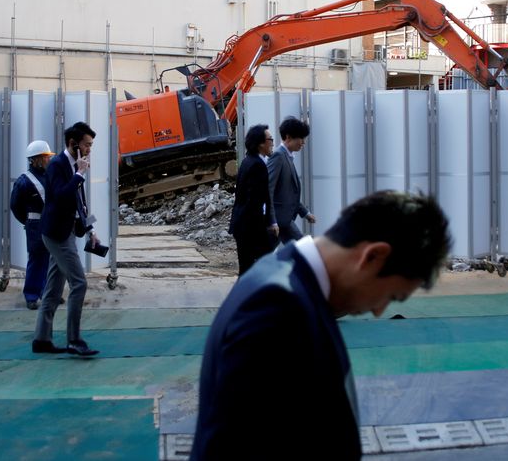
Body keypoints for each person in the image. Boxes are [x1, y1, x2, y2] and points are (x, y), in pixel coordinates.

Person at [191, 190, 452, 460]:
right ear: (373, 256)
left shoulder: (286, 277)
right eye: (390, 296)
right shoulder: (277, 308)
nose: (378, 311)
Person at [32, 121, 101, 356]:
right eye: (87, 145)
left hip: (67, 231)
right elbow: (60, 197)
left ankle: (42, 339)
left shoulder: (75, 165)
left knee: (53, 288)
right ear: (74, 144)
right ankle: (74, 339)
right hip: (57, 234)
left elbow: (80, 202)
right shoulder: (57, 166)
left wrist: (91, 229)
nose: (90, 149)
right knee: (79, 283)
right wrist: (79, 174)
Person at [228, 124, 279, 275]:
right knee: (250, 271)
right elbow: (254, 202)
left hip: (244, 225)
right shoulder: (257, 166)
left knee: (247, 271)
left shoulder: (248, 161)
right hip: (249, 228)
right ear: (260, 143)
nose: (273, 143)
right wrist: (266, 226)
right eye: (270, 139)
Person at [10, 140, 54, 310]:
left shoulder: (49, 176)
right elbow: (15, 206)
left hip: (49, 223)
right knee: (37, 260)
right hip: (36, 226)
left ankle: (48, 293)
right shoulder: (24, 181)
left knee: (51, 261)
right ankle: (31, 296)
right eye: (46, 157)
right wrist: (27, 222)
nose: (49, 160)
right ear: (38, 159)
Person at [267, 116, 316, 244]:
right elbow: (267, 190)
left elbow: (287, 193)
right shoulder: (278, 156)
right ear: (288, 137)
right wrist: (272, 221)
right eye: (301, 138)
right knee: (302, 247)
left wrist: (305, 213)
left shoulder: (287, 156)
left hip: (284, 219)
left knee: (301, 248)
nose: (303, 143)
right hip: (277, 220)